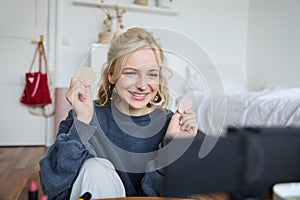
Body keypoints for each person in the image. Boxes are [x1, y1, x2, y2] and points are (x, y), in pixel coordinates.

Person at [39, 27, 198, 200]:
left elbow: (178, 196)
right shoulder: (85, 115)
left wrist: (174, 147)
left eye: (152, 74)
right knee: (95, 169)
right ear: (111, 75)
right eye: (131, 73)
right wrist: (82, 123)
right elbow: (54, 188)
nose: (143, 85)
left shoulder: (171, 124)